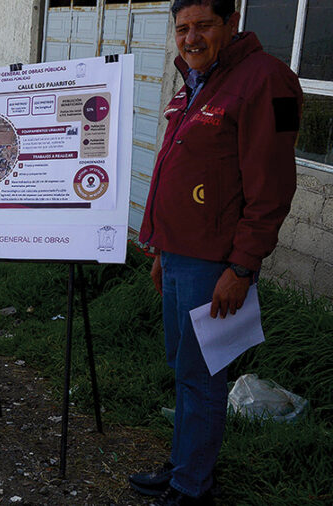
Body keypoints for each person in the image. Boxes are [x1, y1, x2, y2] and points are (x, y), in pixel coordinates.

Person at [134, 1, 302, 505]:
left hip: (216, 264)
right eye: (182, 28)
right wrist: (162, 249)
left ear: (232, 23)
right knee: (184, 369)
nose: (191, 38)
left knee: (203, 377)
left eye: (203, 25)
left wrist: (242, 267)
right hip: (179, 256)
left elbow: (273, 187)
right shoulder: (198, 81)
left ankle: (192, 487)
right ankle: (182, 466)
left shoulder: (268, 81)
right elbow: (180, 167)